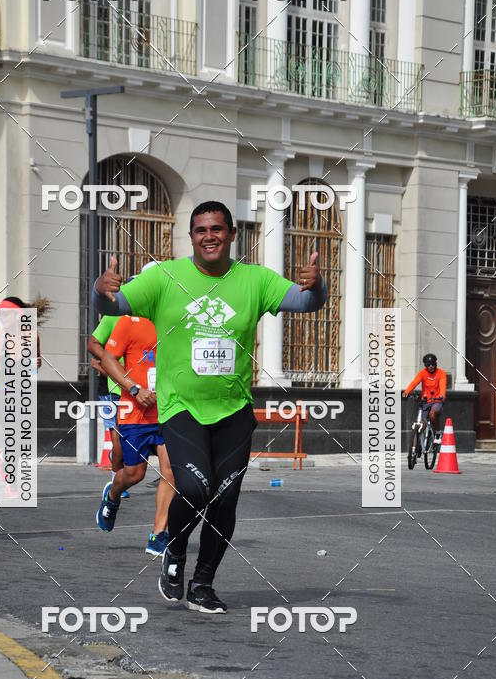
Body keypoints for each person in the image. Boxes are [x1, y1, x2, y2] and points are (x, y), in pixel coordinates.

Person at [92, 200, 327, 613]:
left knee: (225, 498)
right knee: (195, 488)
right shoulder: (166, 277)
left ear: (232, 234)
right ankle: (175, 548)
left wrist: (318, 285)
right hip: (182, 408)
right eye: (201, 230)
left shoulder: (254, 280)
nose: (209, 236)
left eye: (217, 228)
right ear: (191, 237)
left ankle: (203, 583)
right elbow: (114, 308)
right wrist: (100, 291)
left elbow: (307, 304)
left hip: (234, 410)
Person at [89, 275, 175, 556]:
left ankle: (158, 535)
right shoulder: (127, 321)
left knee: (170, 472)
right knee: (134, 473)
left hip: (167, 410)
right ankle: (112, 496)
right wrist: (134, 388)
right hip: (134, 410)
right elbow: (107, 358)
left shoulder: (172, 324)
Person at [87, 314, 130, 499]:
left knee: (126, 437)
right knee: (117, 436)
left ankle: (118, 467)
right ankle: (116, 479)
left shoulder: (140, 318)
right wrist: (107, 366)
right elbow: (93, 347)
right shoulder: (111, 319)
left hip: (135, 386)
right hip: (112, 388)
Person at [402, 353, 446, 444]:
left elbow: (442, 385)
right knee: (421, 423)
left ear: (435, 363)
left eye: (432, 364)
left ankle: (438, 432)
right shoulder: (422, 373)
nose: (431, 366)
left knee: (432, 414)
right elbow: (415, 382)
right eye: (428, 365)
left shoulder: (441, 373)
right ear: (425, 365)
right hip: (426, 401)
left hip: (437, 400)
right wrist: (407, 391)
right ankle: (413, 450)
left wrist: (442, 395)